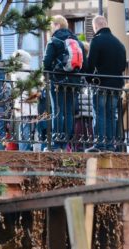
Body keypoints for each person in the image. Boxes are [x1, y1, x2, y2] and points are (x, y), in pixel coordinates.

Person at [43, 15, 86, 150]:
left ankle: (56, 143)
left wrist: (49, 75)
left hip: (57, 82)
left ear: (57, 25)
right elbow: (83, 63)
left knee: (57, 111)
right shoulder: (77, 41)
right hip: (74, 83)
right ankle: (66, 143)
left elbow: (46, 62)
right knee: (68, 113)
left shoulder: (54, 40)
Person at [84, 15, 126, 151]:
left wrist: (89, 80)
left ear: (95, 27)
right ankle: (110, 145)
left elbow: (90, 65)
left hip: (101, 84)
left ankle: (100, 144)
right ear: (106, 24)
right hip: (116, 86)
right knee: (110, 114)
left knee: (100, 114)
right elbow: (122, 66)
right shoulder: (119, 43)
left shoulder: (97, 41)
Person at [10, 50, 42, 151]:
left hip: (21, 102)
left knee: (24, 128)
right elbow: (36, 86)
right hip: (29, 102)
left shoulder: (14, 70)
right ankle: (25, 150)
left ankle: (24, 149)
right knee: (27, 129)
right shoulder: (26, 70)